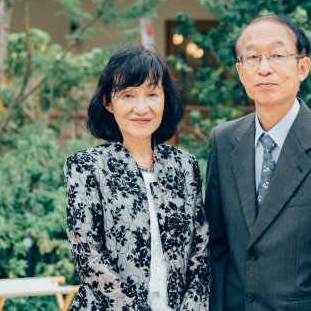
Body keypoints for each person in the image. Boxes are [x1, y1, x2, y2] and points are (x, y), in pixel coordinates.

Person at [205, 14, 311, 310]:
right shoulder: (224, 140)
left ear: (302, 67)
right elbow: (217, 248)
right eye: (253, 57)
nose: (264, 68)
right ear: (241, 72)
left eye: (278, 55)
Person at [64, 45, 210, 310]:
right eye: (128, 95)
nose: (141, 108)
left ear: (165, 100)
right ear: (108, 102)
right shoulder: (86, 166)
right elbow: (88, 256)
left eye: (152, 94)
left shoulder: (185, 166)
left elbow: (200, 252)